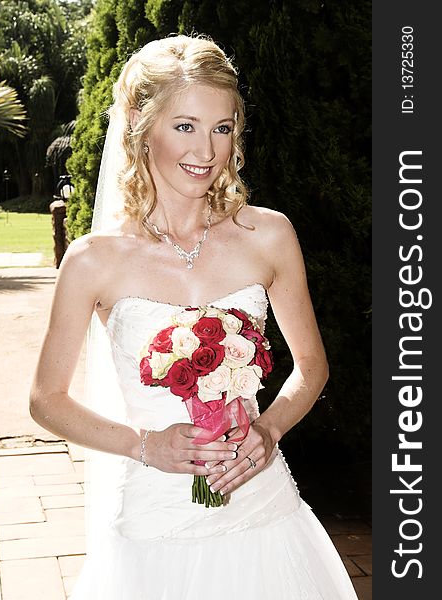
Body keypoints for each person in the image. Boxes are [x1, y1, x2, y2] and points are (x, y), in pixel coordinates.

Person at [30, 34, 358, 599]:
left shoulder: (269, 235)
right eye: (185, 126)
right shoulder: (93, 261)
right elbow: (45, 400)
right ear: (140, 123)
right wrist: (144, 444)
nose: (206, 150)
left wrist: (269, 428)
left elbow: (311, 365)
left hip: (263, 511)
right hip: (155, 522)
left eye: (222, 128)